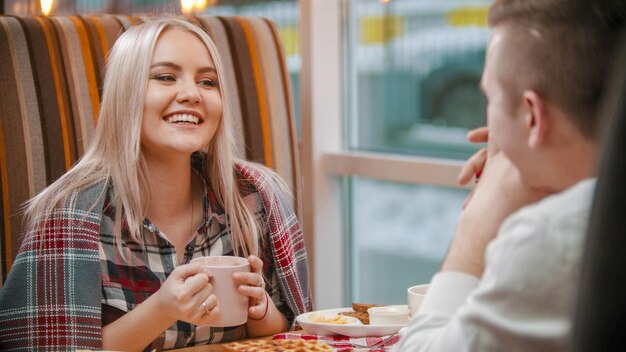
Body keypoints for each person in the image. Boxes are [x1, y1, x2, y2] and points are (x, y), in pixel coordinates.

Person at [0, 17, 312, 351]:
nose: (192, 94)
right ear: (125, 94)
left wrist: (259, 309)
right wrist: (162, 309)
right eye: (165, 77)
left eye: (208, 82)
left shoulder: (255, 197)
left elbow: (296, 333)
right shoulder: (71, 217)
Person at [394, 0, 624, 350]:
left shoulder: (554, 238)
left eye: (490, 97)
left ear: (532, 115)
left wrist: (474, 231)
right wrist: (539, 161)